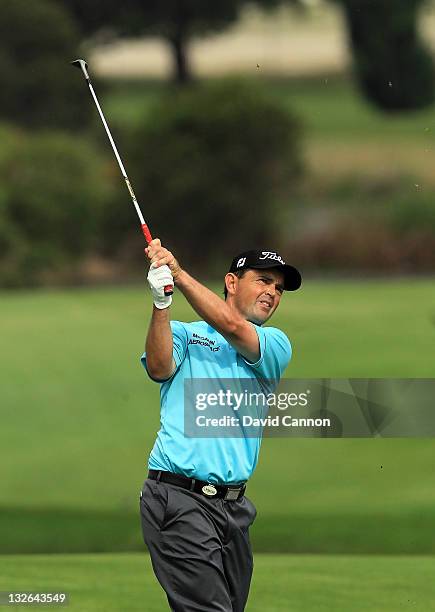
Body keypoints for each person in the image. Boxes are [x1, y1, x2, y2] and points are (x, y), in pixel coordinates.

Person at [139, 239, 301, 612]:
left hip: (234, 509)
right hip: (178, 498)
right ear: (231, 282)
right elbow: (159, 368)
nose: (272, 292)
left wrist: (178, 274)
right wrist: (162, 302)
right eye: (263, 280)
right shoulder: (185, 333)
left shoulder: (274, 344)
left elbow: (231, 326)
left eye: (278, 288)